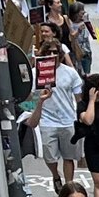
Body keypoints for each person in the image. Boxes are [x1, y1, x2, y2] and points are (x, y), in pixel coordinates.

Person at [29, 25, 83, 188]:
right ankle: (55, 174)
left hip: (67, 119)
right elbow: (29, 96)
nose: (52, 55)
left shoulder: (70, 73)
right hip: (47, 121)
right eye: (49, 52)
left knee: (68, 156)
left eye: (55, 52)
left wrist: (81, 118)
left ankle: (69, 185)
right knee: (50, 156)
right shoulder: (35, 72)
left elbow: (78, 97)